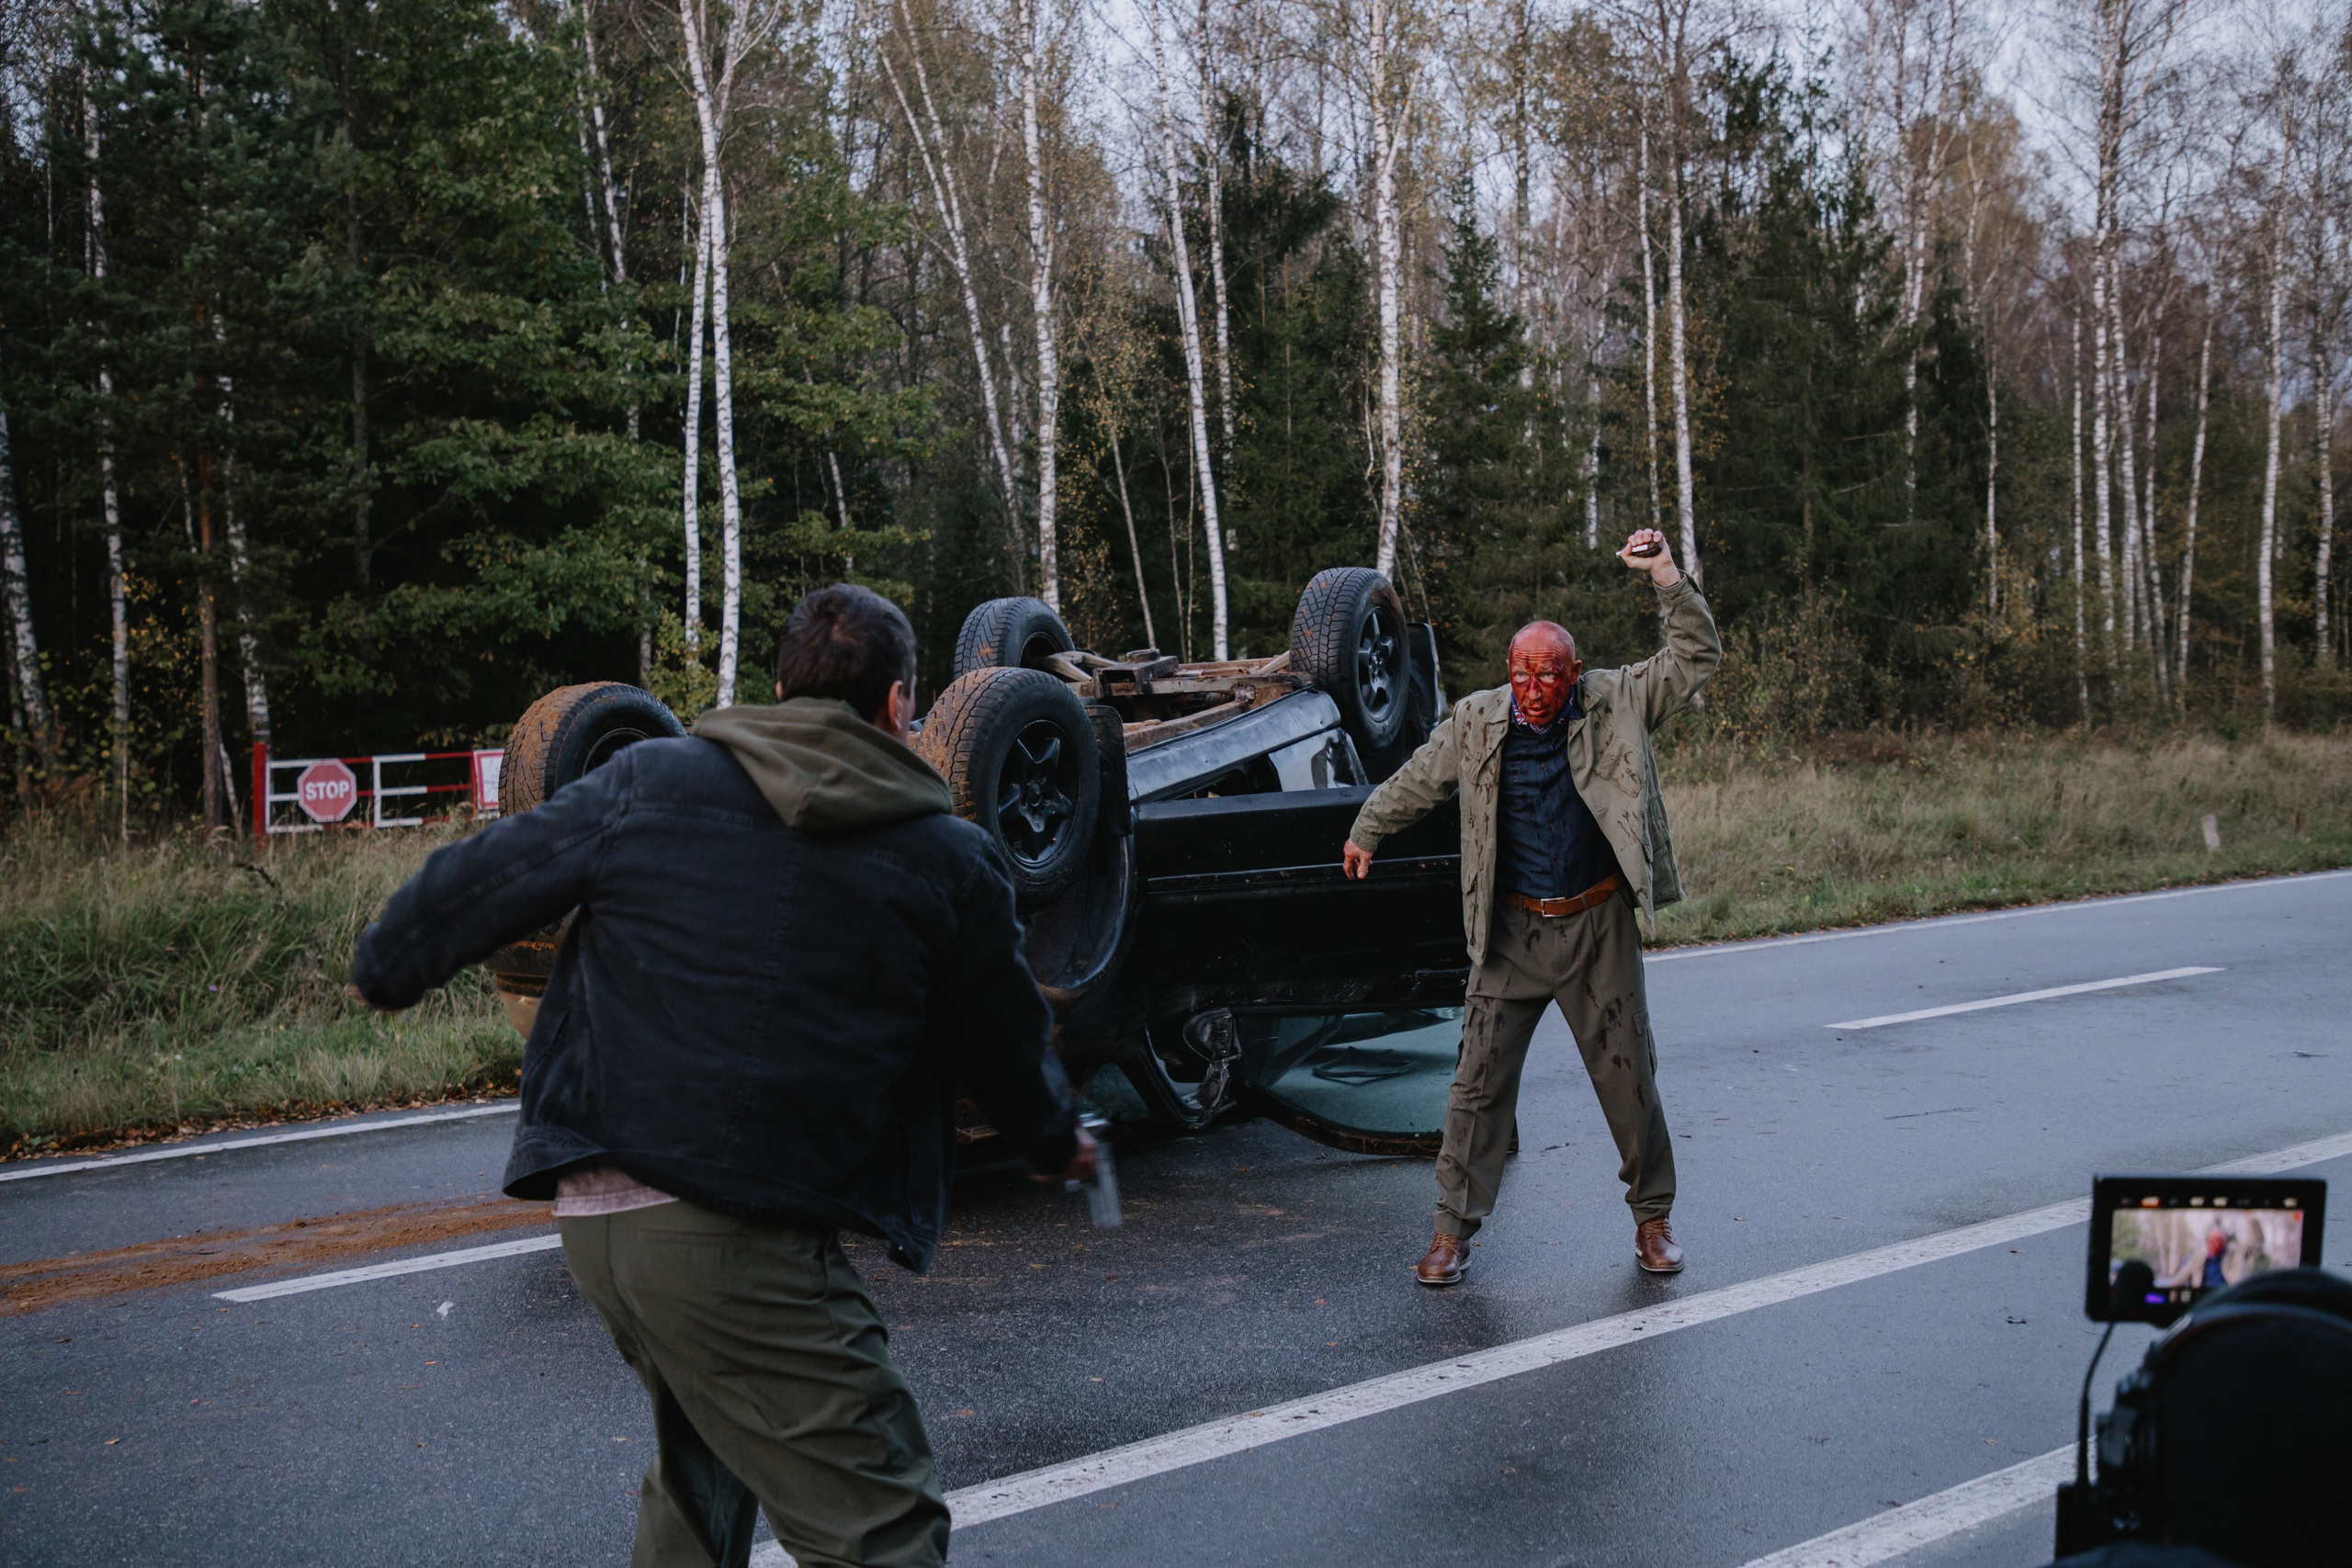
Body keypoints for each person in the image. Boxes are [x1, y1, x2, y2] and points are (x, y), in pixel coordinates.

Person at [350, 583, 1092, 1568]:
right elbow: (1004, 1039)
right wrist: (1055, 1143)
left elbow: (481, 878)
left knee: (706, 1477)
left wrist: (387, 966)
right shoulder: (945, 857)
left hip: (594, 1212)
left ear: (777, 688)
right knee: (884, 1529)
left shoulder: (647, 779)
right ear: (900, 705)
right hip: (732, 1233)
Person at [1341, 529, 1720, 1286]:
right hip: (1511, 931)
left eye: (1549, 675)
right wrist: (1368, 826)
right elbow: (1422, 775)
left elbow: (1694, 658)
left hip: (1596, 925)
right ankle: (1451, 1232)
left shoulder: (1616, 700)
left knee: (1628, 1078)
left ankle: (1653, 1219)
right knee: (1476, 1085)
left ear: (1573, 673)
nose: (1535, 688)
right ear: (1506, 672)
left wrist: (1667, 577)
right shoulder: (1480, 720)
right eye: (1522, 673)